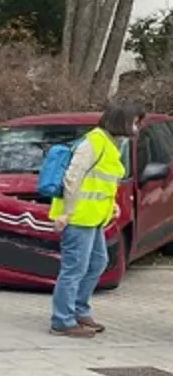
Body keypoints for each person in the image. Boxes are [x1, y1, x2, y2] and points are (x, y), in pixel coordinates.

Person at [48, 99, 140, 337]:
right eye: (134, 122)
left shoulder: (110, 144)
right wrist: (66, 213)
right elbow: (72, 178)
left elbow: (102, 183)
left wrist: (112, 206)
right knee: (74, 269)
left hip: (94, 218)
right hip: (78, 217)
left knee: (97, 263)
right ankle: (62, 320)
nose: (136, 127)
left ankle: (79, 310)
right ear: (122, 122)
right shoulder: (93, 142)